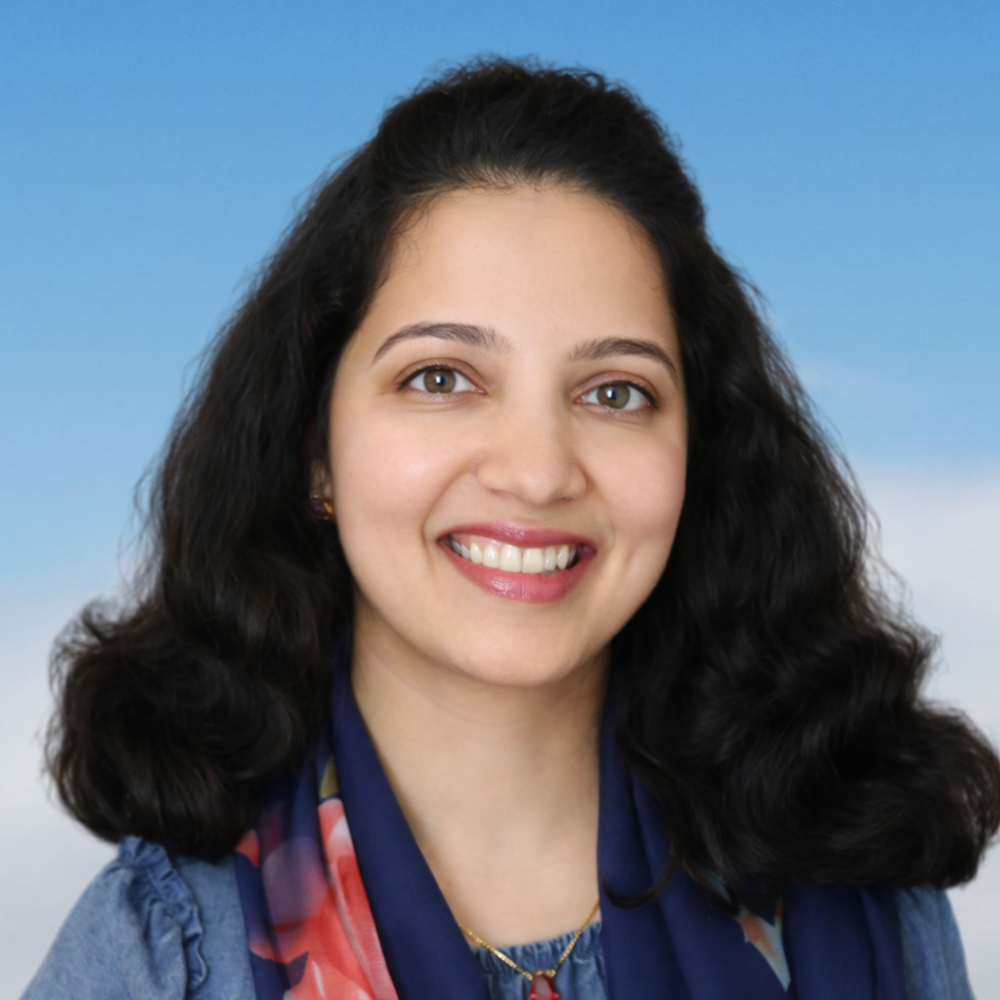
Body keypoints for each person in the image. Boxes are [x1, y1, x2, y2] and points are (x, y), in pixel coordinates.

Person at [24, 58, 1000, 1000]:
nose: (536, 471)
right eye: (441, 377)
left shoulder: (875, 916)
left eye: (615, 392)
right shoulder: (167, 951)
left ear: (698, 455)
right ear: (314, 447)